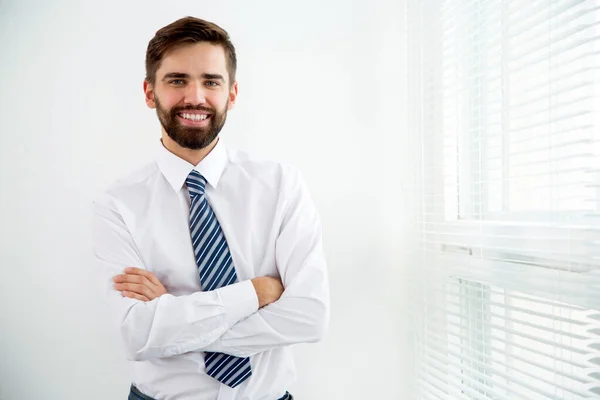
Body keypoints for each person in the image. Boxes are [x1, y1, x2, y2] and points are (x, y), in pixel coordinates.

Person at [91, 16, 330, 400]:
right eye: (177, 80)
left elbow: (309, 317)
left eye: (211, 81)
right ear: (150, 92)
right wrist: (253, 294)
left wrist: (171, 317)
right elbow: (135, 334)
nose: (196, 97)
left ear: (232, 94)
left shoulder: (281, 185)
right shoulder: (117, 205)